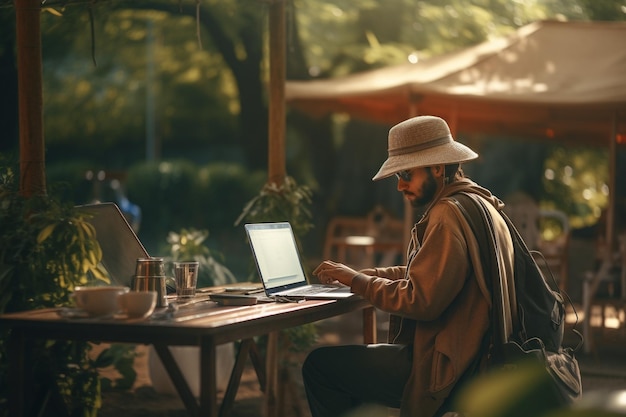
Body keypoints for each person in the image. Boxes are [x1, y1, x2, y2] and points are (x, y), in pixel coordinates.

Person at [304, 115, 515, 417]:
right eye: (396, 177)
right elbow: (430, 273)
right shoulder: (479, 204)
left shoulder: (447, 215)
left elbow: (420, 300)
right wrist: (360, 276)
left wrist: (360, 282)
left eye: (406, 174)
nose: (401, 186)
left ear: (438, 167)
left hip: (449, 365)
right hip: (471, 352)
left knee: (319, 367)